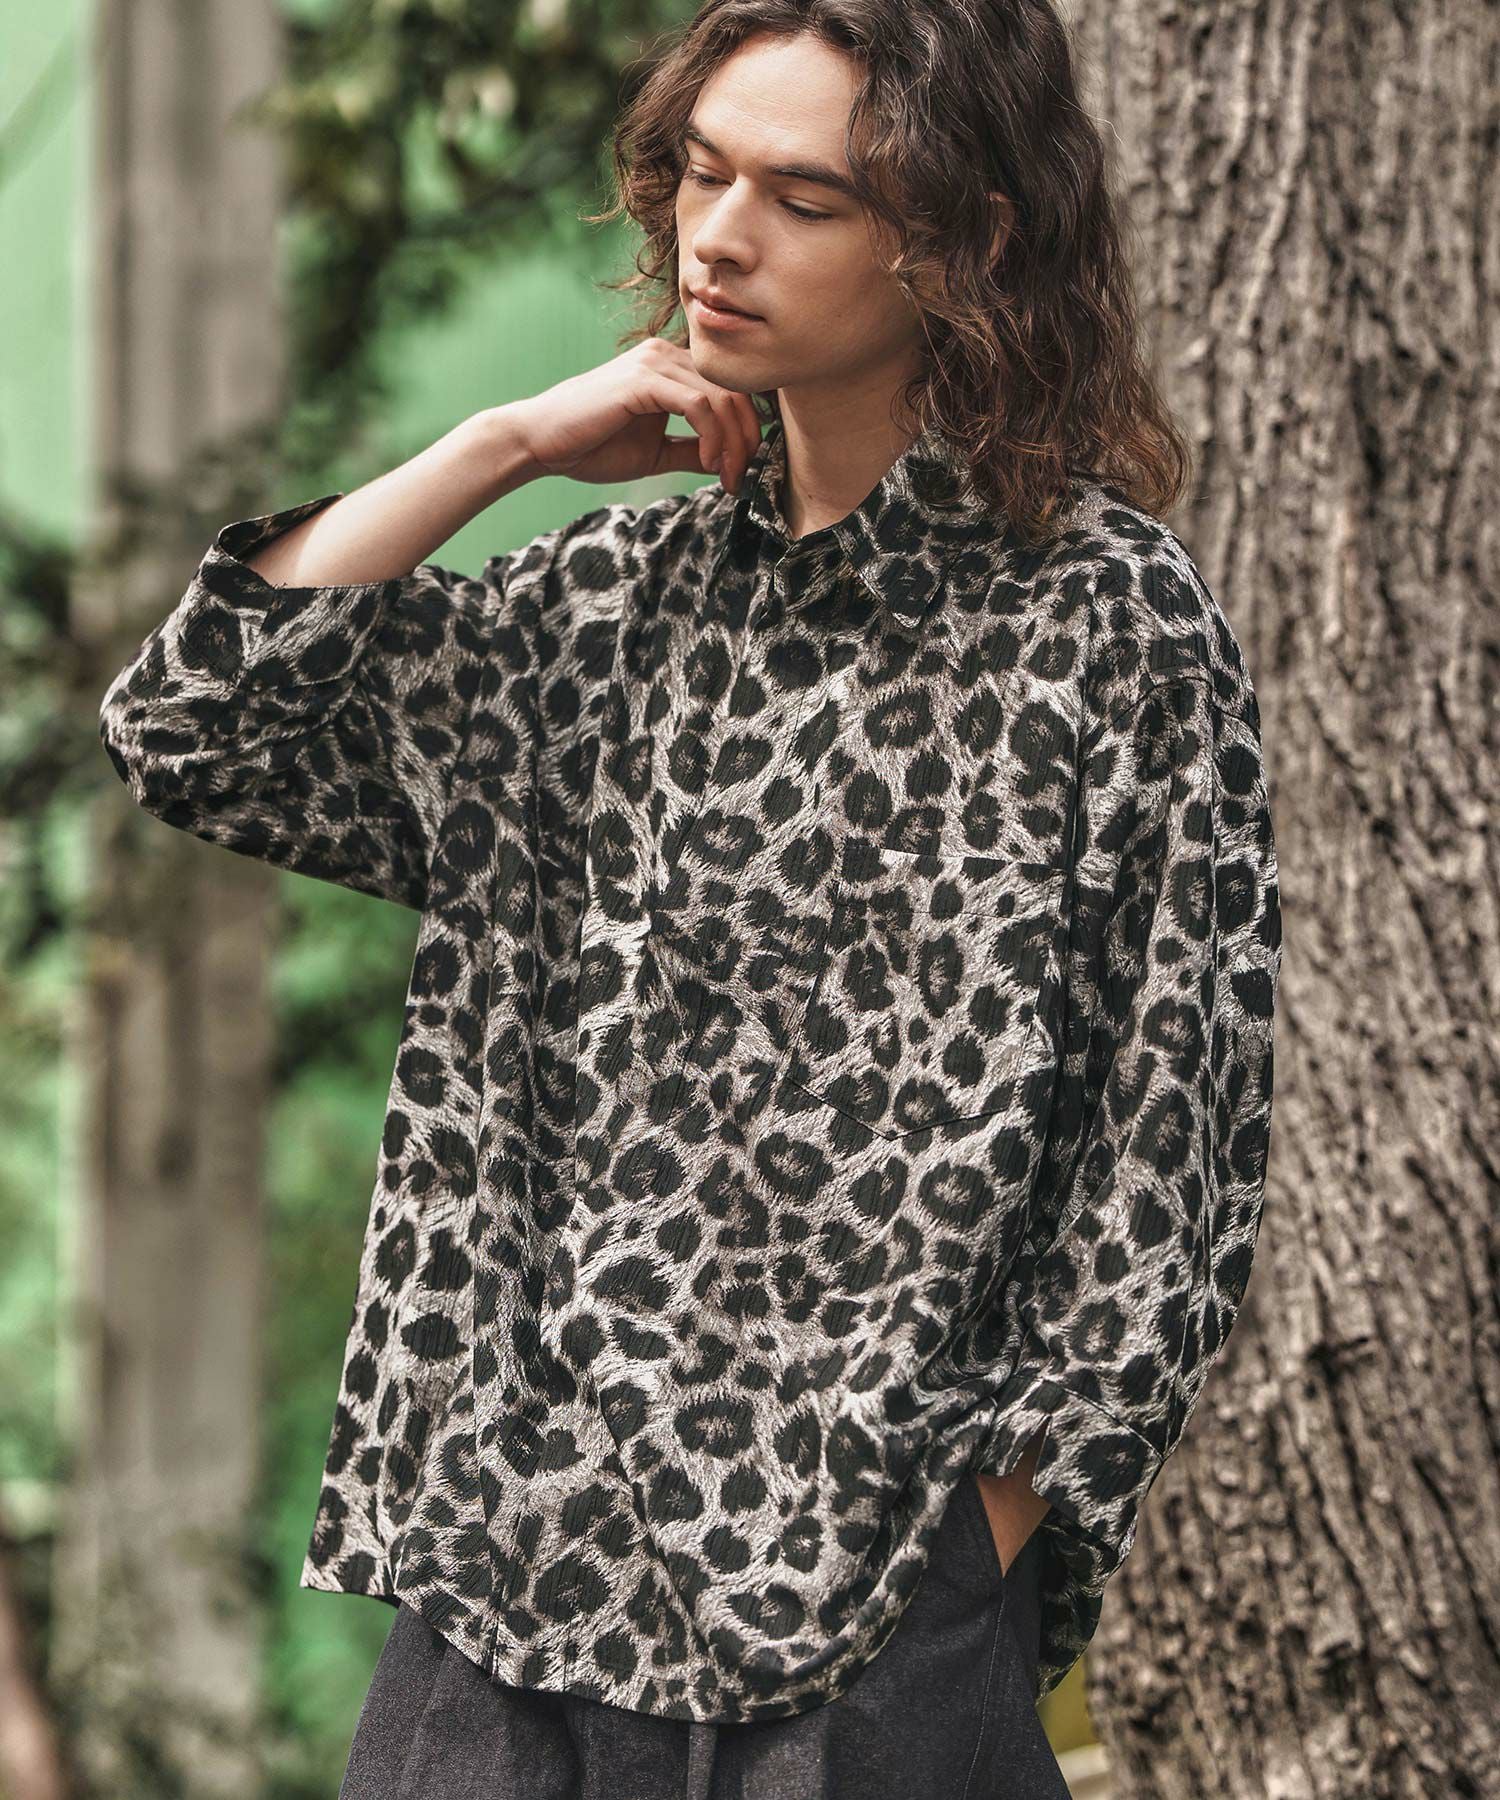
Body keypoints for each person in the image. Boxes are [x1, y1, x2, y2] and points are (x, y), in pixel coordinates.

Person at [97, 1, 1282, 1795]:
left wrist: (982, 1530)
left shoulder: (1105, 631)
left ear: (965, 239)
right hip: (510, 1575)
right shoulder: (607, 606)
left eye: (803, 198)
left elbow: (1170, 1139)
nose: (719, 236)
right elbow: (195, 726)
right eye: (703, 175)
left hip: (864, 1609)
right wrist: (499, 446)